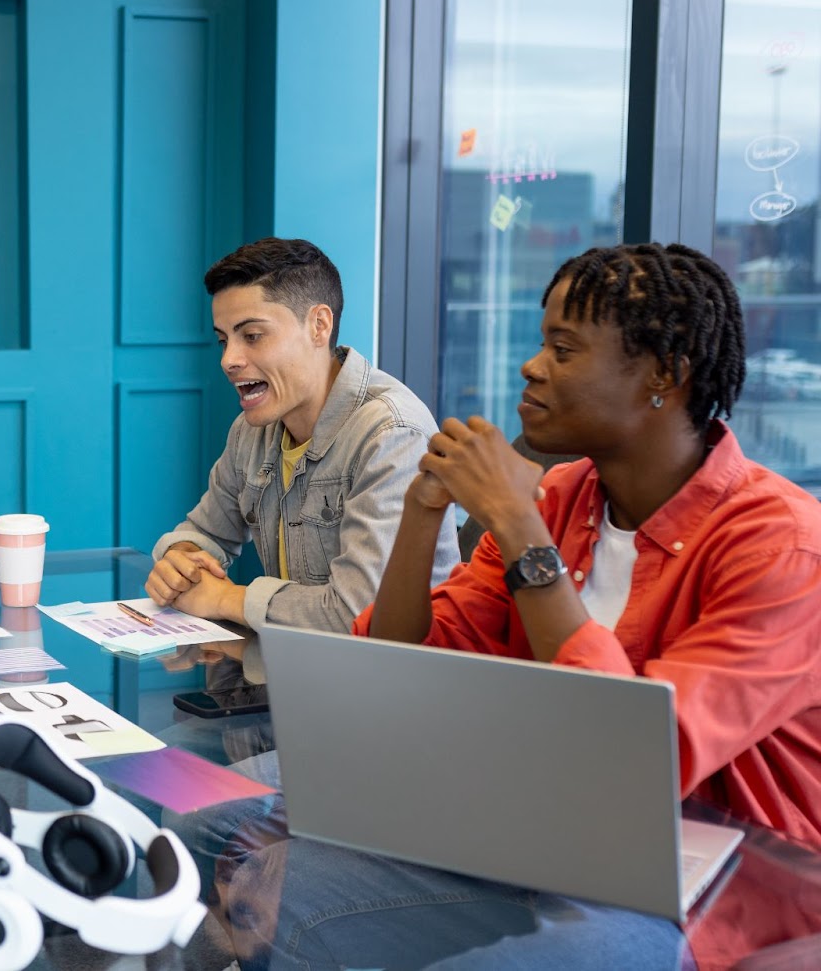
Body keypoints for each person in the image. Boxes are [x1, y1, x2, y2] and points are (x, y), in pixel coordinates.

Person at [217, 242, 821, 970]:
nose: (532, 366)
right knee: (216, 845)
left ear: (665, 374)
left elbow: (633, 762)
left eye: (562, 349)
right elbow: (399, 662)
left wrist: (520, 529)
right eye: (541, 343)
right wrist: (423, 507)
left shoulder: (781, 547)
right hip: (527, 837)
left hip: (705, 893)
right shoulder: (568, 497)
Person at [146, 237, 459, 631]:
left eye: (253, 336)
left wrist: (227, 598)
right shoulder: (251, 430)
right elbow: (206, 531)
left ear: (319, 325)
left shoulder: (391, 434)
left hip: (401, 684)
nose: (229, 360)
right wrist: (181, 558)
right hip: (306, 671)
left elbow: (360, 615)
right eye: (224, 340)